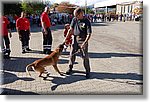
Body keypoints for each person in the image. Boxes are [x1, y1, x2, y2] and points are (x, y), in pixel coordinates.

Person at [64, 7, 92, 79]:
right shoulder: (74, 19)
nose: (76, 17)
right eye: (75, 15)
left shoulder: (87, 21)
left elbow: (89, 34)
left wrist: (84, 43)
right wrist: (66, 39)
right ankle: (70, 68)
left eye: (77, 15)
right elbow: (71, 29)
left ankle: (88, 71)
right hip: (75, 39)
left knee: (85, 56)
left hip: (83, 39)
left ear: (81, 13)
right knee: (72, 54)